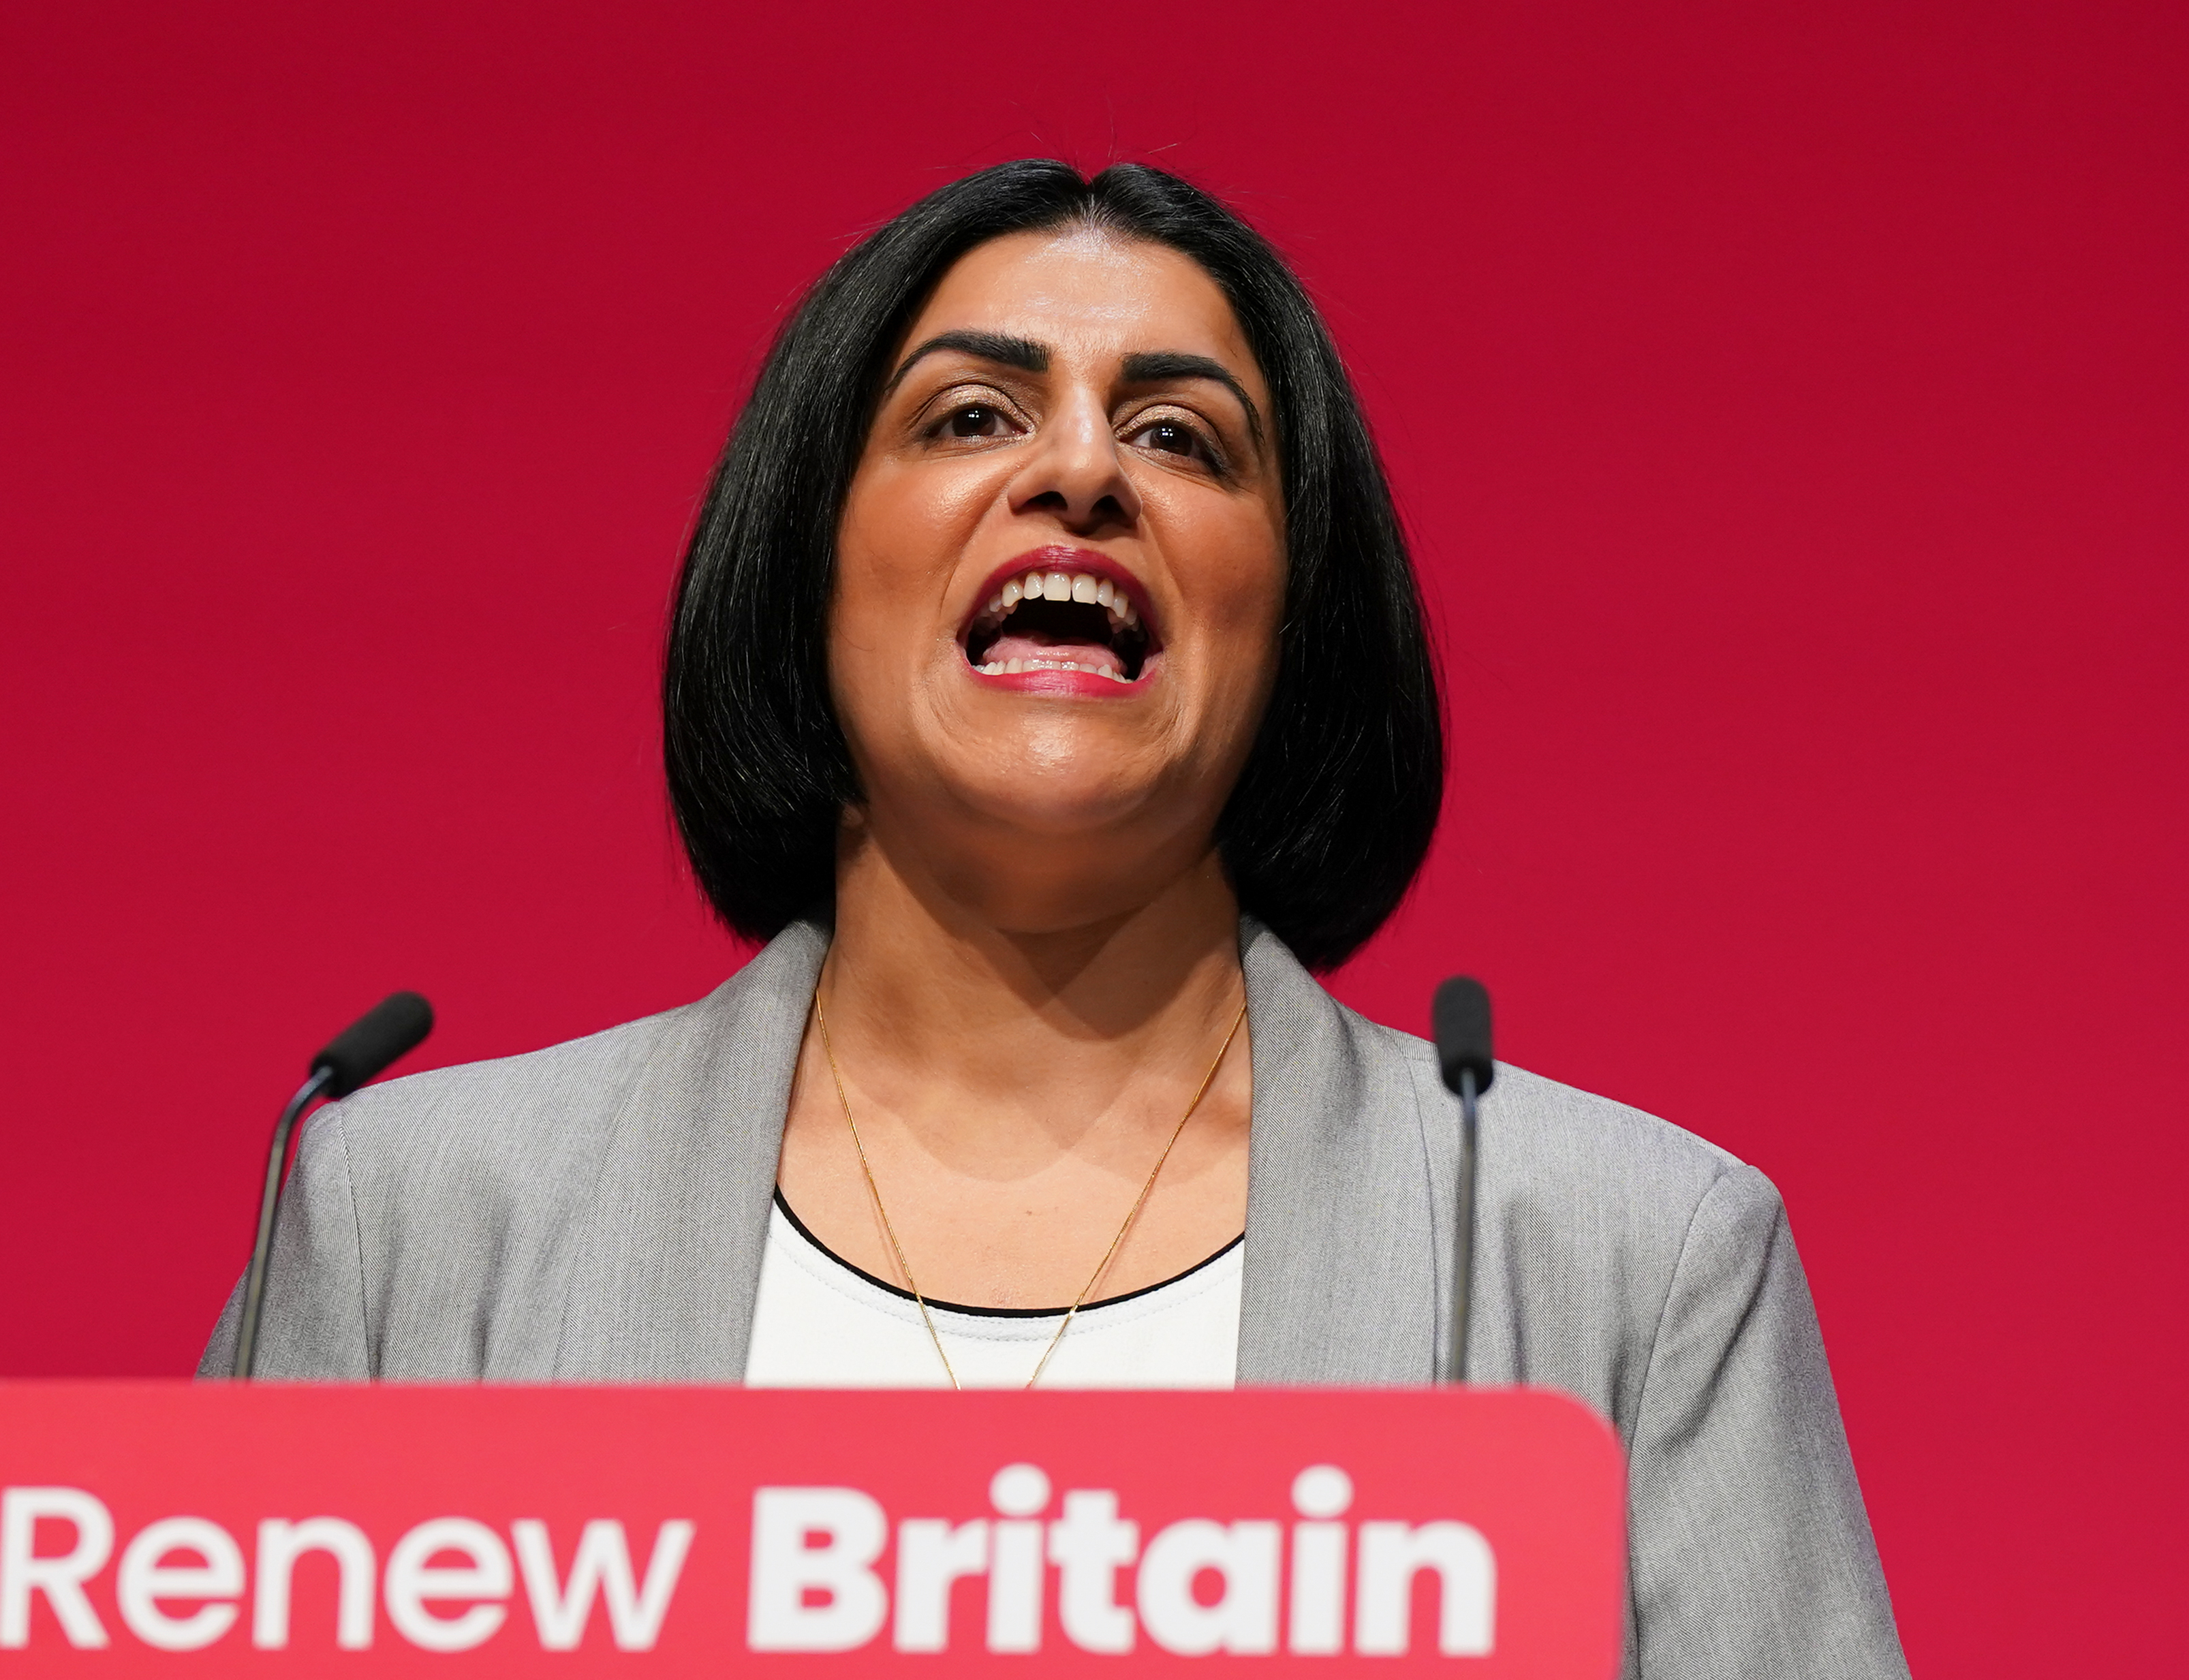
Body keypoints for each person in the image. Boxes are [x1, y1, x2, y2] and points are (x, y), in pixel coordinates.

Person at [204, 159, 1908, 1677]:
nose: (1081, 470)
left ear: (1293, 619)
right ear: (808, 567)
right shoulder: (408, 1232)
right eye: (969, 417)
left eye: (1180, 438)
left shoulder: (1628, 1266)